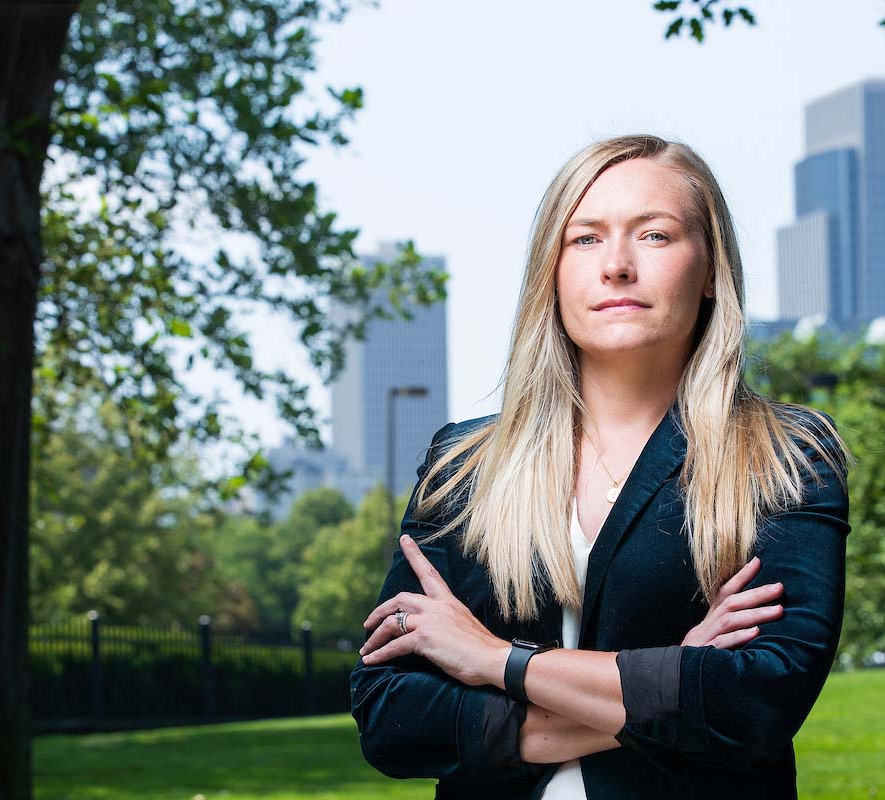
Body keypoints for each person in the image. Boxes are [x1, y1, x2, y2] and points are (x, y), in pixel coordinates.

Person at [349, 134, 851, 799]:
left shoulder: (785, 454)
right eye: (585, 239)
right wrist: (672, 678)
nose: (617, 265)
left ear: (709, 271)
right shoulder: (464, 467)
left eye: (655, 236)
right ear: (550, 272)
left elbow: (758, 703)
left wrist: (494, 660)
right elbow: (391, 717)